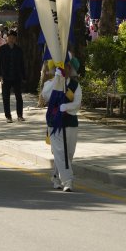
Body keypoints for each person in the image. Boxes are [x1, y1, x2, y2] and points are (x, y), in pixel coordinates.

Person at [41, 57, 82, 192]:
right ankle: (68, 180)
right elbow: (46, 96)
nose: (65, 69)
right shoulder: (50, 83)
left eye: (67, 66)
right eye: (62, 67)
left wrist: (66, 107)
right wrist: (57, 80)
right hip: (55, 123)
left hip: (71, 122)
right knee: (59, 152)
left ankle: (55, 177)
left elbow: (77, 103)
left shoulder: (75, 85)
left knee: (68, 154)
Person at [0, 29, 26, 123]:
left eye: (13, 38)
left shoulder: (19, 50)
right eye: (10, 37)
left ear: (15, 38)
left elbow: (22, 64)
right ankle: (8, 116)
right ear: (7, 38)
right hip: (6, 76)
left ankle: (20, 115)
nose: (11, 39)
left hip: (16, 76)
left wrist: (24, 76)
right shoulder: (2, 49)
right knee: (6, 97)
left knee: (19, 96)